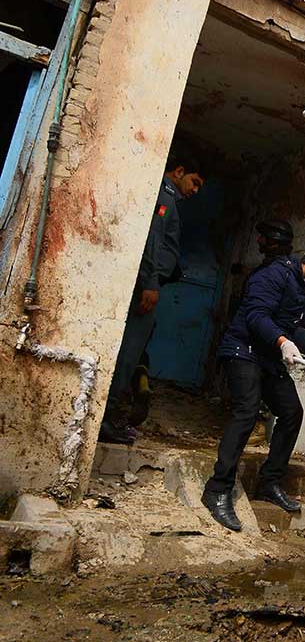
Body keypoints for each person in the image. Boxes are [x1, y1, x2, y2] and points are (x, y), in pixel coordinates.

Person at [202, 244, 305, 531]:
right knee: (247, 410)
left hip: (269, 359)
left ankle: (269, 483)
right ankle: (217, 489)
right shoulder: (274, 274)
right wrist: (283, 341)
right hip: (243, 350)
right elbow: (256, 316)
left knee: (291, 412)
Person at [99, 151, 205, 444]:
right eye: (194, 182)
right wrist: (151, 281)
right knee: (128, 354)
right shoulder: (164, 196)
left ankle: (108, 417)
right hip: (144, 285)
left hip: (146, 282)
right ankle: (105, 420)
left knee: (132, 353)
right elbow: (152, 240)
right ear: (179, 171)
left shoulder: (167, 197)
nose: (195, 190)